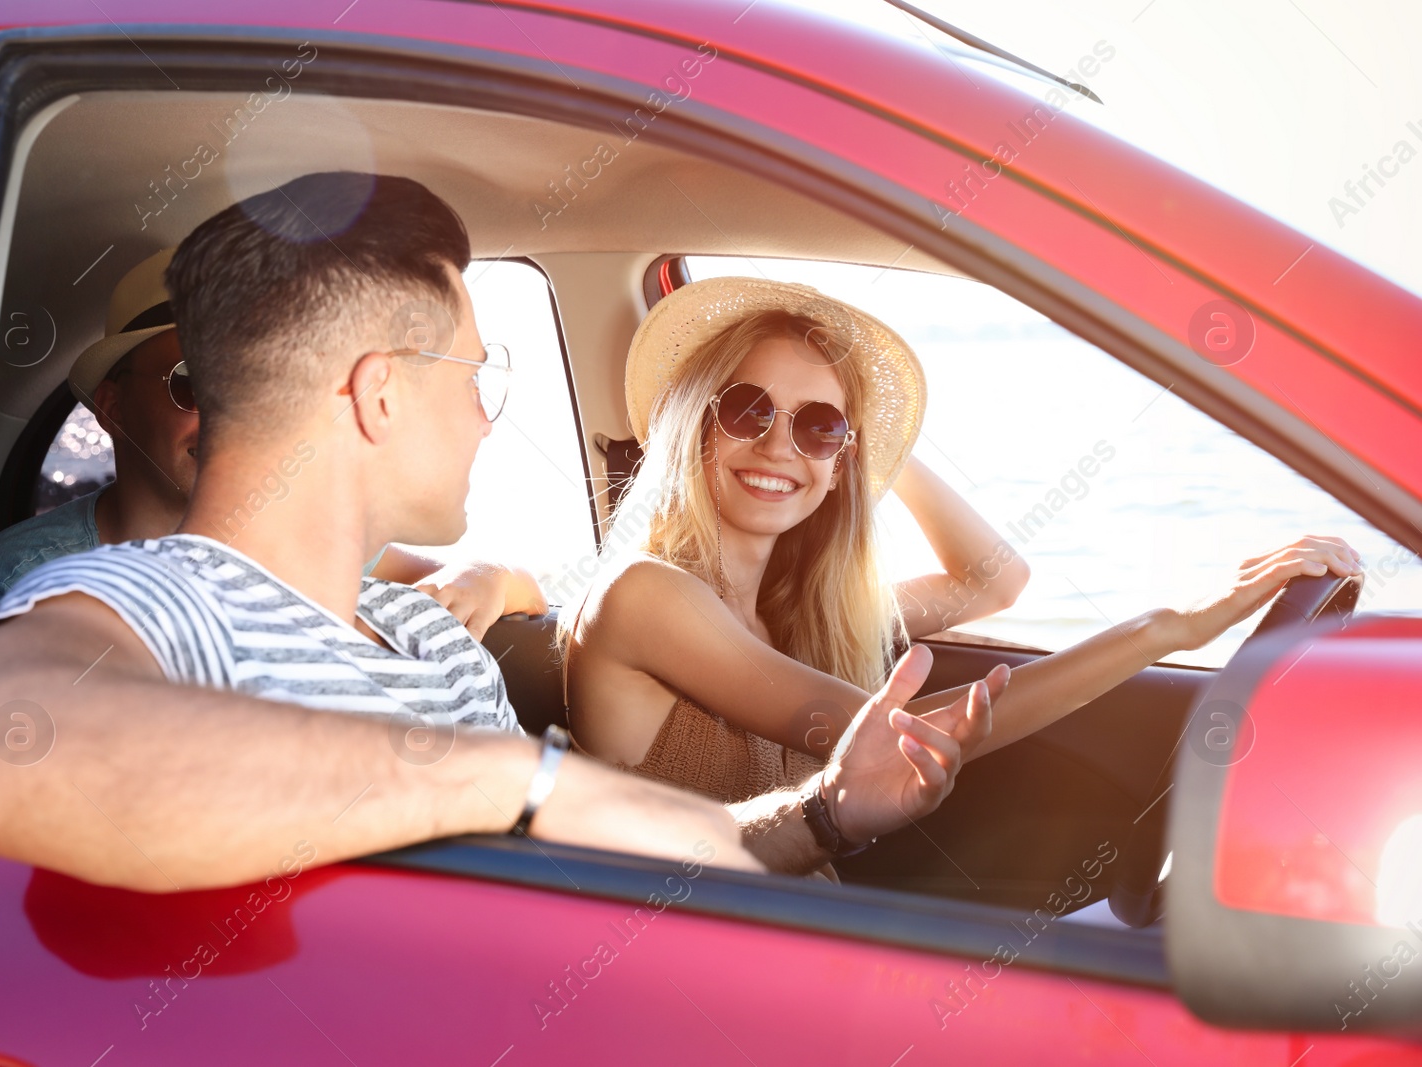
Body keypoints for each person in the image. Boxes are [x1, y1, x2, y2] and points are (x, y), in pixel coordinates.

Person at [0, 171, 1007, 892]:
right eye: (478, 373)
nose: (490, 411)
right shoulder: (162, 603)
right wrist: (517, 780)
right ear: (381, 393)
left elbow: (584, 883)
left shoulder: (431, 638)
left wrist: (822, 813)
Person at [560, 277, 1362, 803]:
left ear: (845, 463)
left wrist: (872, 440)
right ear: (692, 425)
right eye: (746, 410)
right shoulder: (648, 594)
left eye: (818, 424)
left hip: (801, 925)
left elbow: (992, 579)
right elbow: (905, 740)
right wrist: (1172, 628)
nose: (779, 447)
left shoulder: (787, 614)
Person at [0, 248, 547, 638]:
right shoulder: (14, 582)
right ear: (114, 410)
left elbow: (512, 589)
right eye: (192, 384)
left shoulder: (307, 539)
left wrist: (484, 576)